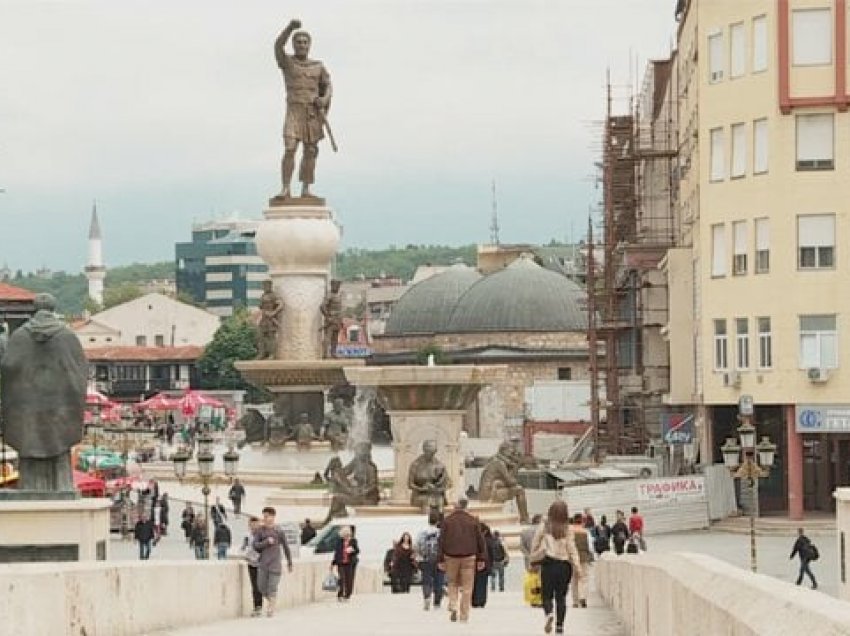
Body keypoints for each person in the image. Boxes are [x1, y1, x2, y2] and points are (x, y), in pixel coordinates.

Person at [0, 293, 87, 492]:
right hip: (59, 412)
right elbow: (79, 371)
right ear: (53, 309)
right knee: (59, 448)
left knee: (29, 447)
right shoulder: (67, 336)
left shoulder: (20, 336)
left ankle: (29, 487)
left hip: (27, 410)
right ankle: (61, 486)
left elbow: (8, 368)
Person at [274, 19, 333, 200]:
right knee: (290, 148)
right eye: (298, 42)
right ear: (294, 45)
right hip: (294, 111)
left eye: (305, 42)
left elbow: (328, 85)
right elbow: (277, 45)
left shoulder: (318, 66)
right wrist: (290, 28)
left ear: (309, 45)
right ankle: (285, 188)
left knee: (310, 151)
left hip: (311, 114)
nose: (302, 45)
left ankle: (306, 188)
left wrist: (324, 99)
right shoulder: (288, 63)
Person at [531, 501, 582, 635]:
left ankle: (549, 613)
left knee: (546, 595)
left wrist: (534, 557)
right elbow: (572, 549)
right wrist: (577, 566)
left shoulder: (545, 526)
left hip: (548, 564)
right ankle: (560, 626)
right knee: (561, 597)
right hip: (564, 566)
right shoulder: (568, 528)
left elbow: (534, 544)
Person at [438, 499, 487, 624]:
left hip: (450, 557)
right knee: (467, 587)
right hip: (469, 557)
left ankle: (453, 604)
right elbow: (480, 540)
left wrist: (440, 559)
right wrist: (481, 558)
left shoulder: (447, 521)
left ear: (455, 507)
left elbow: (441, 541)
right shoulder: (473, 520)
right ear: (466, 506)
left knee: (452, 583)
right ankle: (464, 615)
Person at [252, 506, 293, 617]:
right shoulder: (260, 531)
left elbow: (286, 547)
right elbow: (255, 546)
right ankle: (271, 601)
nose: (265, 519)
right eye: (264, 516)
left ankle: (271, 608)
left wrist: (290, 562)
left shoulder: (279, 531)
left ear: (273, 517)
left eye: (267, 516)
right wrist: (266, 542)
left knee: (272, 588)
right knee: (261, 587)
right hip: (263, 564)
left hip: (275, 565)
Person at [415, 511, 444, 611]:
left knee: (426, 580)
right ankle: (437, 602)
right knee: (439, 580)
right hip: (438, 560)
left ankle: (427, 597)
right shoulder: (441, 532)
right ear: (437, 521)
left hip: (425, 560)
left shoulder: (422, 532)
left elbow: (417, 546)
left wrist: (419, 556)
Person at [241, 517, 264, 617]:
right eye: (252, 524)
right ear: (249, 525)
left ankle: (260, 605)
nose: (254, 526)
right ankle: (257, 607)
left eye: (256, 524)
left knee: (259, 585)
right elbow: (243, 548)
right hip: (251, 563)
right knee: (254, 586)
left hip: (261, 563)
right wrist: (246, 555)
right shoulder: (247, 536)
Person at [330, 525, 360, 601]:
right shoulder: (339, 541)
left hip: (350, 563)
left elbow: (357, 550)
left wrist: (352, 550)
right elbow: (337, 553)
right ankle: (340, 594)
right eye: (344, 536)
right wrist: (333, 563)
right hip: (341, 563)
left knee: (349, 580)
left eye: (347, 535)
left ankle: (347, 595)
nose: (345, 537)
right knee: (341, 579)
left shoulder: (353, 541)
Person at [256, 280, 283, 360]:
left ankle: (272, 354)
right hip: (264, 318)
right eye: (264, 285)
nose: (265, 287)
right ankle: (262, 353)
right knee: (260, 336)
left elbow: (281, 305)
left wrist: (274, 313)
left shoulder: (273, 296)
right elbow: (261, 307)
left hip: (271, 319)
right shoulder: (263, 296)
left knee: (271, 337)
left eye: (266, 285)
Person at [570, 513, 593, 608]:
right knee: (584, 578)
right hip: (584, 557)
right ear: (582, 522)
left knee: (574, 579)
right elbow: (590, 547)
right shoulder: (586, 532)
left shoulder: (569, 532)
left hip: (572, 558)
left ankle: (575, 601)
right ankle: (583, 597)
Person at [471, 523, 494, 608]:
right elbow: (491, 554)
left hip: (474, 563)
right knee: (483, 584)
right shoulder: (489, 540)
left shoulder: (473, 540)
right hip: (485, 565)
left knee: (474, 583)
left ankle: (474, 600)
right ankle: (481, 600)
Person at [320, 280, 343, 358]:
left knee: (335, 338)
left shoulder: (339, 295)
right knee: (328, 337)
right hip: (331, 319)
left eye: (338, 285)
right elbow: (322, 306)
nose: (338, 287)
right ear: (332, 285)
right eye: (336, 285)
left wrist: (341, 320)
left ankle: (333, 353)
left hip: (338, 319)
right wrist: (327, 316)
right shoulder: (329, 295)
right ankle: (325, 354)